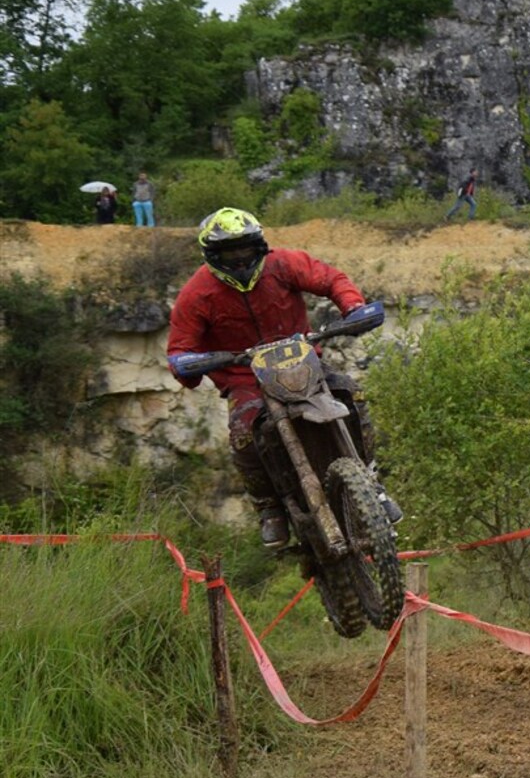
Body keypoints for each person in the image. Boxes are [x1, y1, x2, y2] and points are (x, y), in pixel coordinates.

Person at [166, 207, 402, 547]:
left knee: (351, 393)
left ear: (259, 245)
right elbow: (179, 350)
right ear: (213, 255)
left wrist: (352, 307)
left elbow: (331, 278)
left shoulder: (283, 264)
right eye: (230, 252)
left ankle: (372, 480)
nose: (239, 258)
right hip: (244, 377)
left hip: (303, 361)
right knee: (243, 431)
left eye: (245, 249)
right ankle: (269, 507)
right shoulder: (196, 294)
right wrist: (190, 362)